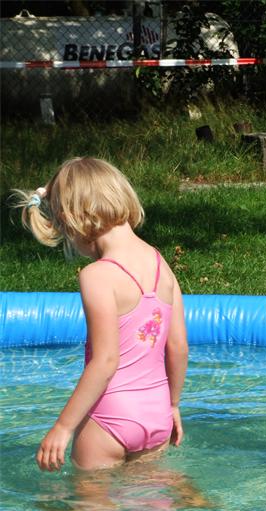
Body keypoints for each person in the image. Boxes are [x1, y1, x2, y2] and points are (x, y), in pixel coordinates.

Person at [14, 157, 189, 471]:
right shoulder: (161, 264)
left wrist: (63, 427)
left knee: (90, 500)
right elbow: (178, 348)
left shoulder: (97, 275)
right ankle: (192, 495)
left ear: (70, 220)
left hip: (109, 416)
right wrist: (173, 405)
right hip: (158, 412)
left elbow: (106, 360)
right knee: (154, 494)